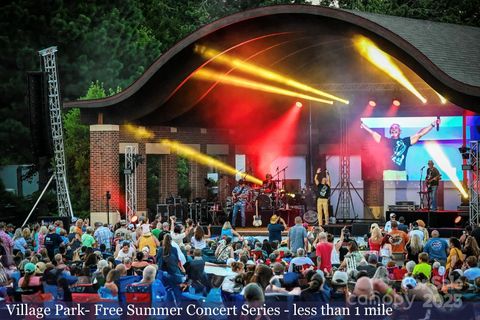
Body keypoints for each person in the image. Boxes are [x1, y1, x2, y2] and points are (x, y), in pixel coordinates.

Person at [361, 119, 440, 180]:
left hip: (401, 172)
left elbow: (420, 134)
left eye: (396, 127)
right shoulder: (386, 141)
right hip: (389, 172)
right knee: (389, 194)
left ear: (400, 131)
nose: (394, 129)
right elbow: (373, 133)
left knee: (401, 195)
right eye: (392, 128)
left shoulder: (405, 141)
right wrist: (363, 125)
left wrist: (432, 124)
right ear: (390, 131)